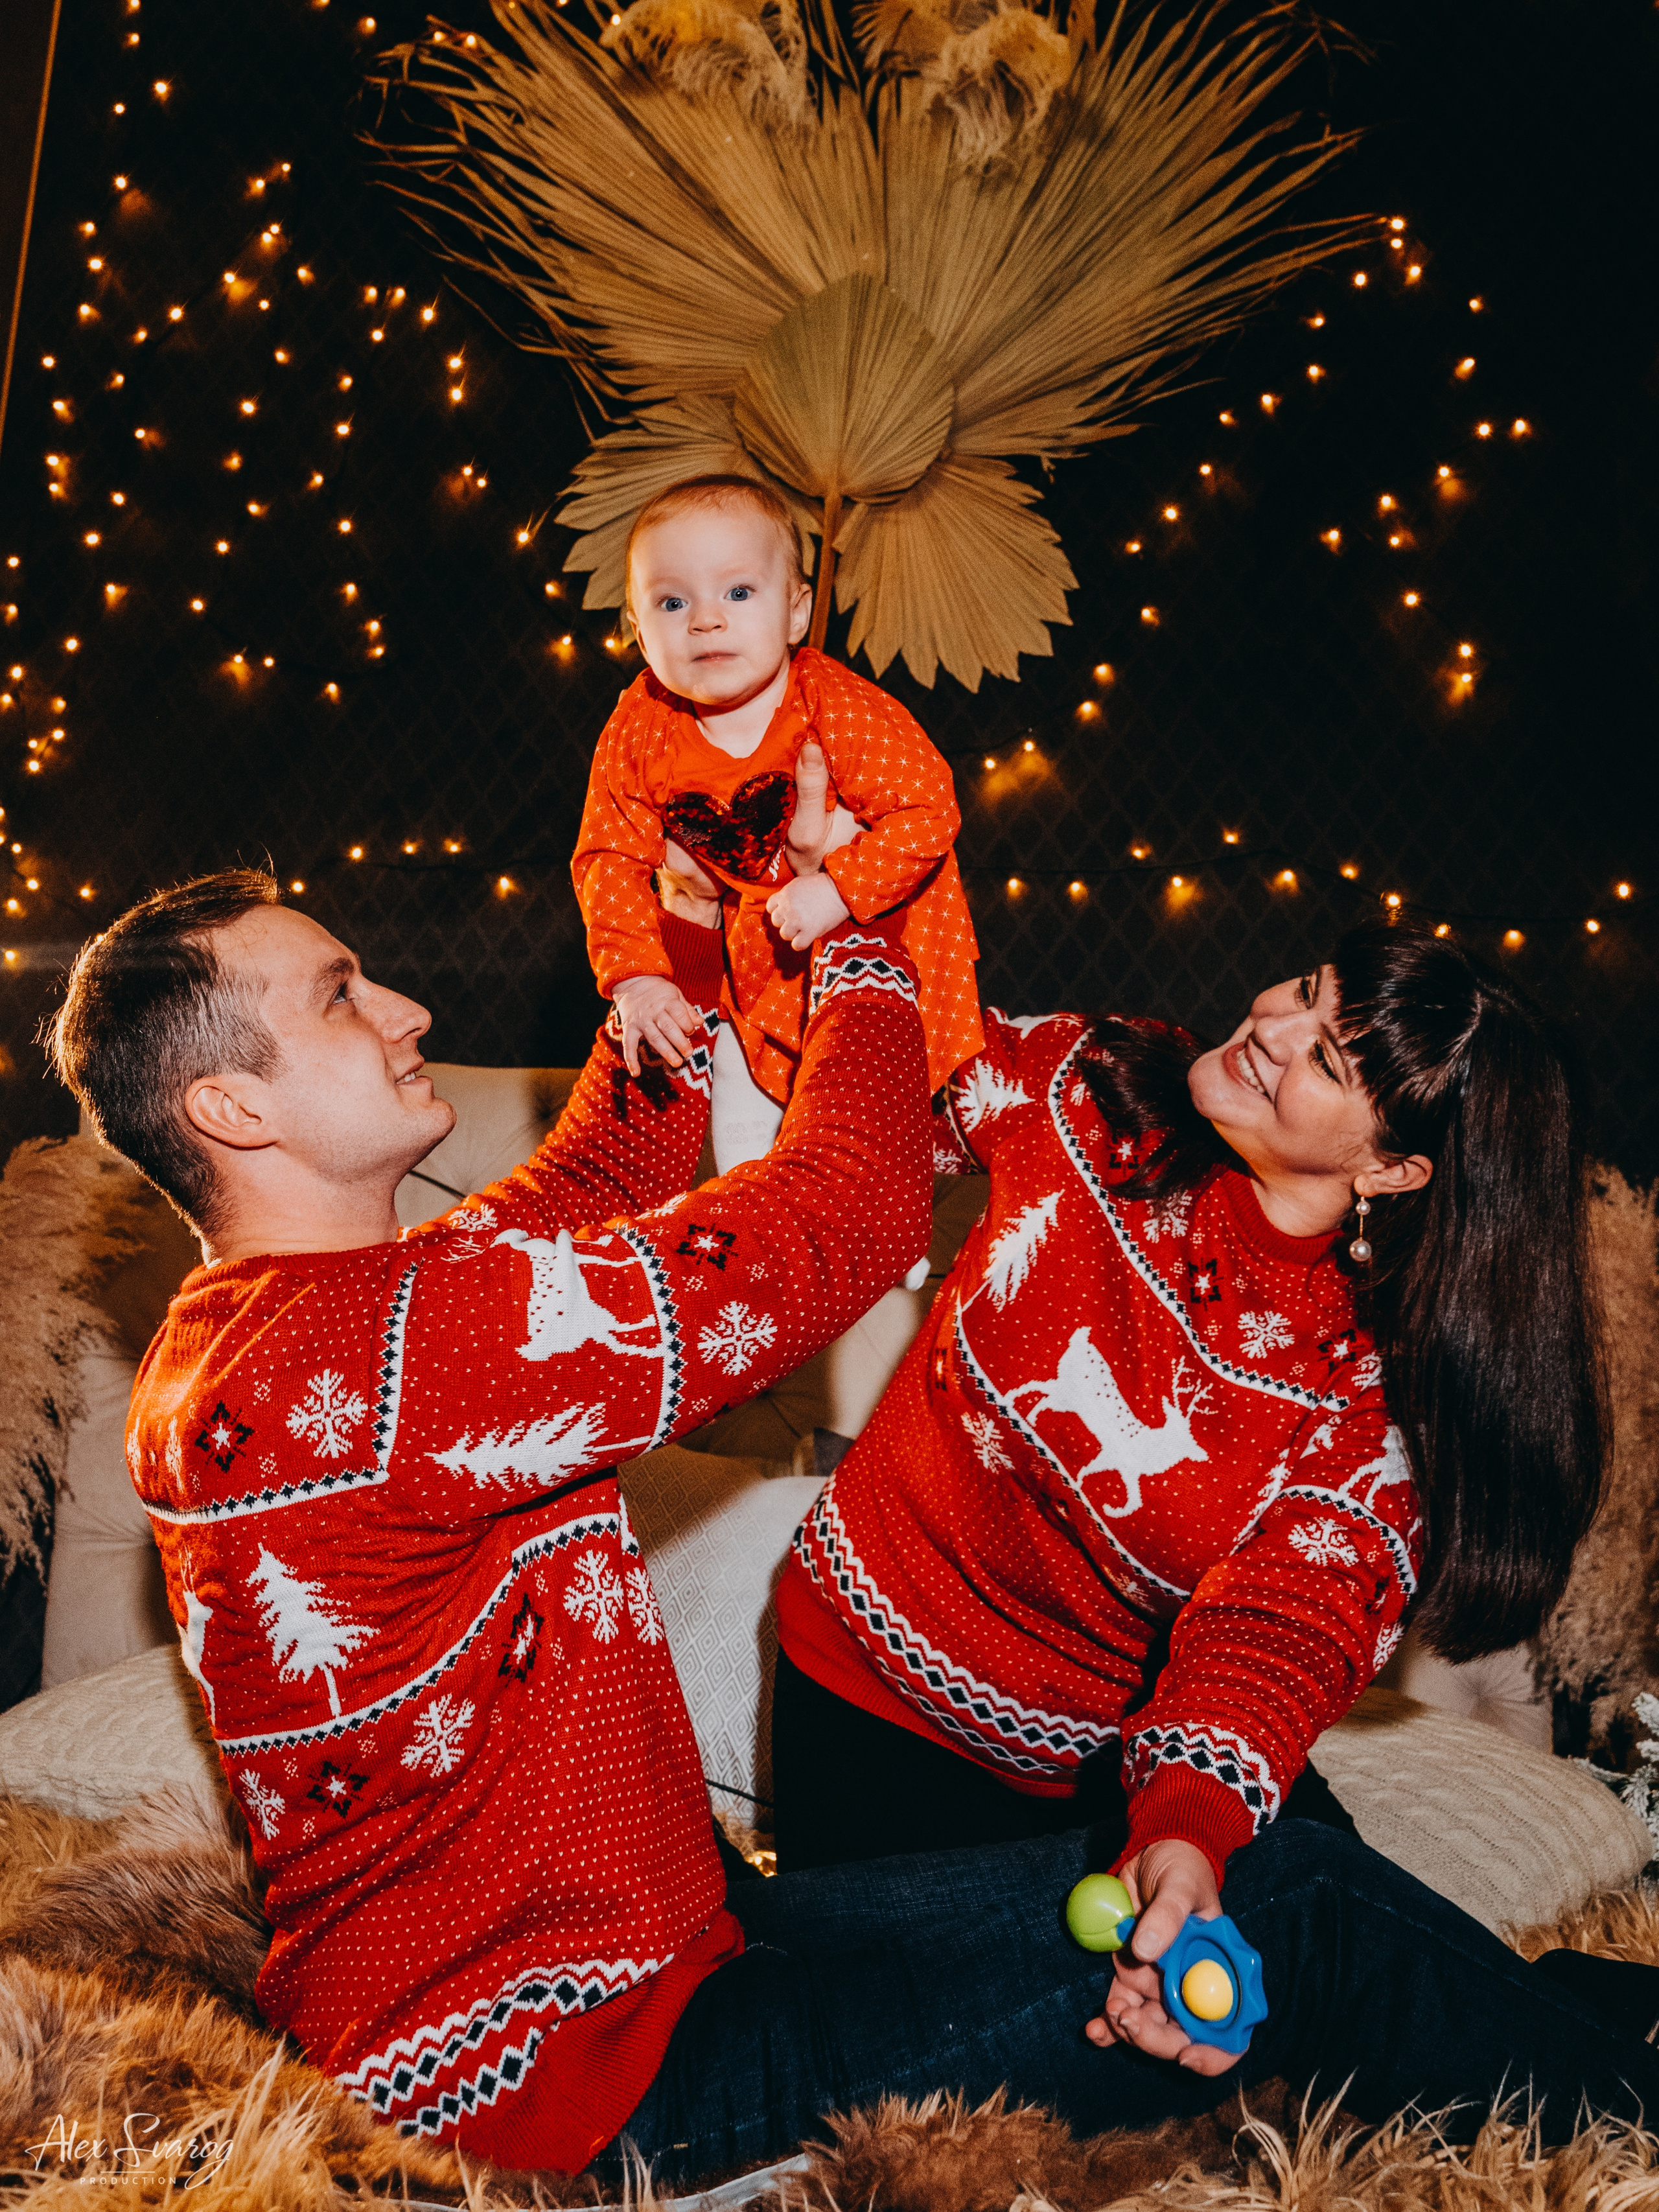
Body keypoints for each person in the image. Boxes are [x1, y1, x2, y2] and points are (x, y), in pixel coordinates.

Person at [52, 863, 1658, 2190]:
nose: (405, 1008)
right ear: (227, 1106)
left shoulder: (307, 1324)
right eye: (340, 993)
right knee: (1295, 1908)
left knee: (1302, 1883)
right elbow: (844, 1225)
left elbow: (580, 1190)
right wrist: (861, 964)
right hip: (561, 2079)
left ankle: (1597, 2030)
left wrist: (673, 964)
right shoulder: (400, 1350)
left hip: (663, 1961)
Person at [774, 925, 1609, 2000]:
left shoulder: (1373, 1390)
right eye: (1305, 987)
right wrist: (796, 920)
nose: (1272, 1026)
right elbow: (867, 1089)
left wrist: (1185, 1828)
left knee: (1337, 1955)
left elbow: (1280, 1628)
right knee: (917, 2058)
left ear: (1393, 1168)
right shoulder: (1095, 1088)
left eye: (1326, 1057)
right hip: (869, 1714)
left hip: (1119, 1761)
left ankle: (1609, 2045)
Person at [571, 472, 981, 1172]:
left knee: (871, 1094)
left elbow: (927, 809)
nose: (705, 619)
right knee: (737, 1082)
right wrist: (637, 978)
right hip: (756, 946)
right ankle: (752, 1228)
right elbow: (608, 856)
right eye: (673, 601)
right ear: (641, 635)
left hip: (878, 928)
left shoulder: (833, 704)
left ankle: (879, 1208)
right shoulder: (640, 725)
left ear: (796, 613)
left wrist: (839, 889)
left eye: (737, 592)